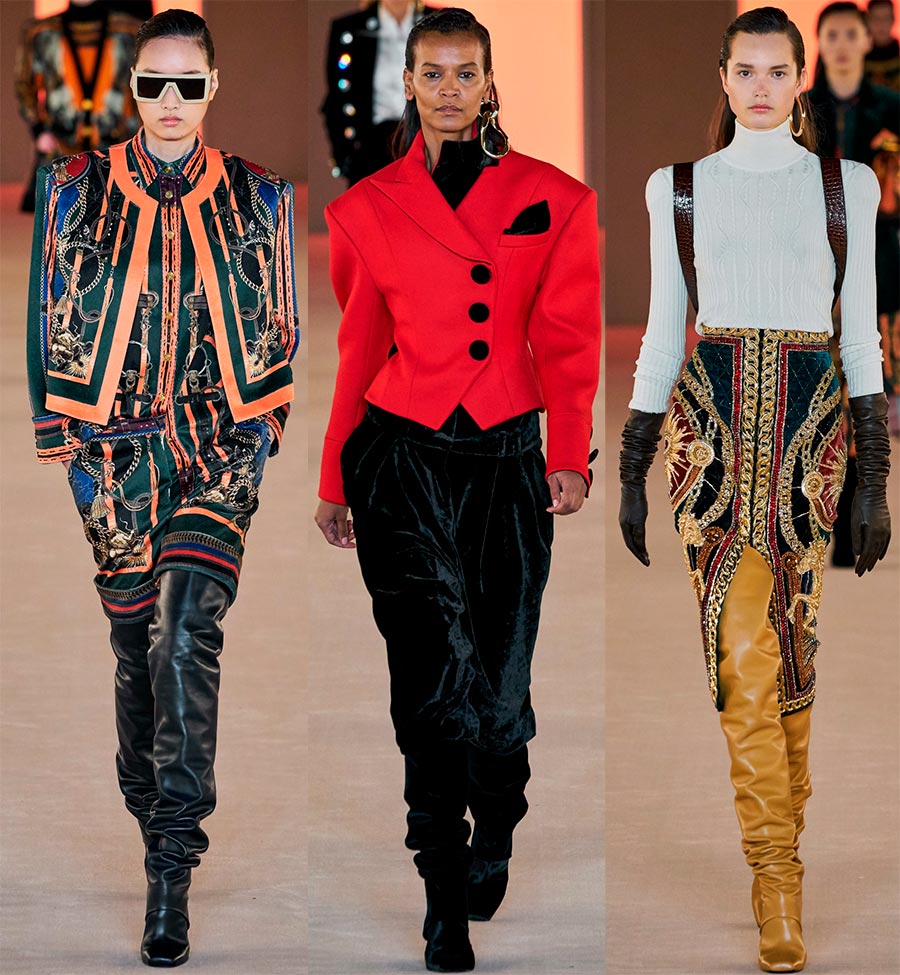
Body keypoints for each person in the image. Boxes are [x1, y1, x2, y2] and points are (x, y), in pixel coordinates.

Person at [314, 8, 601, 972]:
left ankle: (499, 820)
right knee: (429, 681)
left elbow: (568, 338)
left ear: (488, 82)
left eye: (464, 72)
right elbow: (359, 347)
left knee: (501, 688)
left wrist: (570, 451)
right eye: (430, 72)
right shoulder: (367, 207)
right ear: (409, 83)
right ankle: (441, 895)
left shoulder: (553, 197)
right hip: (400, 461)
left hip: (506, 463)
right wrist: (334, 475)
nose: (447, 88)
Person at [618, 7, 890, 973]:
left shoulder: (847, 187)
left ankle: (784, 841)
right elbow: (665, 330)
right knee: (740, 662)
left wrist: (875, 477)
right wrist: (632, 463)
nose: (762, 87)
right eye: (746, 70)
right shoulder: (678, 189)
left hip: (812, 450)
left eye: (779, 71)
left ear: (798, 79)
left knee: (794, 658)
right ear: (724, 78)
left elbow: (861, 334)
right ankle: (777, 878)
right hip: (710, 447)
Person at [26, 8, 298, 968]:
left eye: (189, 83)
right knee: (135, 642)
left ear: (213, 86)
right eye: (155, 84)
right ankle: (147, 802)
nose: (172, 101)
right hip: (111, 453)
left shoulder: (262, 195)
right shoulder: (75, 188)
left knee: (186, 630)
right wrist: (60, 429)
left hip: (220, 443)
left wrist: (262, 427)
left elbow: (280, 320)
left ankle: (171, 863)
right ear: (133, 90)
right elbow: (47, 305)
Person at [808, 1, 900, 561]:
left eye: (851, 34)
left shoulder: (891, 107)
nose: (842, 44)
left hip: (881, 262)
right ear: (819, 44)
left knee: (869, 397)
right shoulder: (800, 111)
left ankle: (866, 516)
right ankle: (829, 522)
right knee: (823, 402)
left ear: (867, 41)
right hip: (813, 271)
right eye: (832, 35)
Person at [15, 0, 142, 212]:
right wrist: (38, 129)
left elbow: (143, 86)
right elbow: (24, 85)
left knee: (117, 217)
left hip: (116, 151)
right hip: (60, 152)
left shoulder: (131, 31)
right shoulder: (39, 32)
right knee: (57, 219)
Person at [321, 0, 438, 185]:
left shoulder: (439, 23)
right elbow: (335, 100)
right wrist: (345, 158)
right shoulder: (350, 29)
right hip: (371, 150)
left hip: (427, 147)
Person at [865, 0, 900, 89]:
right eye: (876, 18)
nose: (881, 24)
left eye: (886, 18)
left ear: (893, 20)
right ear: (867, 20)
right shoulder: (855, 58)